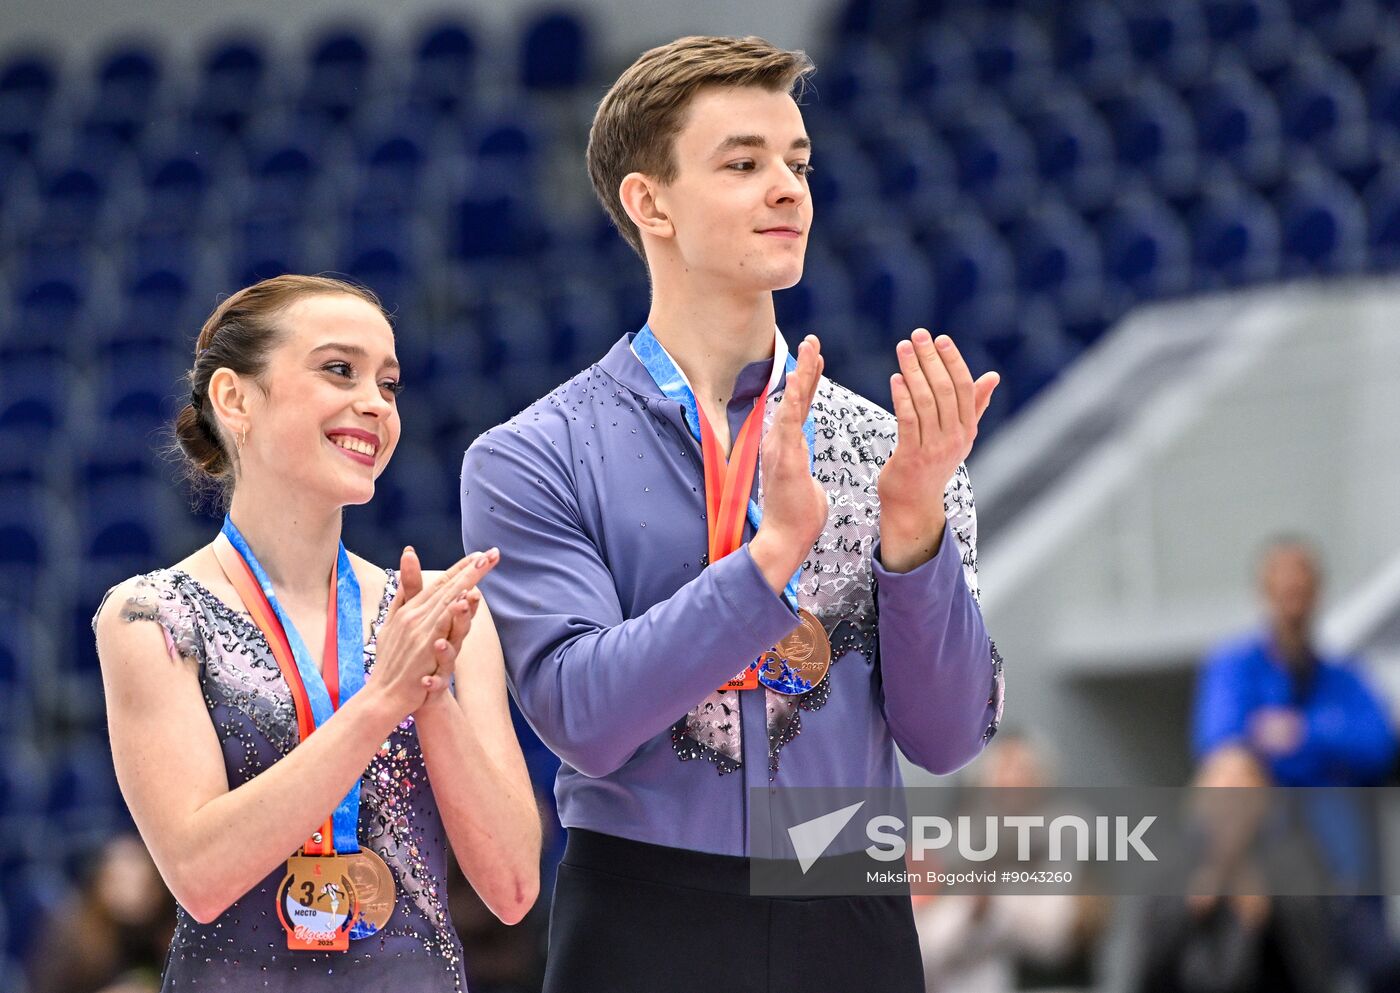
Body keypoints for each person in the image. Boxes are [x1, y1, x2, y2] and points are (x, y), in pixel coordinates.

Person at [461, 36, 1004, 993]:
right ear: (649, 201)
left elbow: (950, 734)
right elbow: (582, 715)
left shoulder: (891, 452)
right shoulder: (532, 454)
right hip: (643, 910)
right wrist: (769, 562)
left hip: (850, 903)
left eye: (797, 164)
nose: (788, 189)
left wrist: (914, 534)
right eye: (744, 164)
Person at [92, 275, 541, 991]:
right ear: (235, 399)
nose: (375, 402)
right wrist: (380, 700)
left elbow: (514, 887)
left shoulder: (435, 617)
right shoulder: (152, 616)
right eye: (341, 370)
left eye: (389, 384)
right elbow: (201, 875)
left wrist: (429, 695)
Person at [1194, 536, 1395, 785]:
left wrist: (1303, 732)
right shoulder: (1235, 665)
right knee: (1230, 772)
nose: (1293, 590)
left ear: (1317, 592)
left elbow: (1378, 745)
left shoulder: (1345, 676)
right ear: (1264, 591)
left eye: (1301, 586)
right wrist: (1328, 740)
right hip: (1264, 800)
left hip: (1330, 804)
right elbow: (1220, 738)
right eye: (1284, 587)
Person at [28, 833, 175, 993]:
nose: (131, 891)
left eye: (142, 882)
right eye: (121, 880)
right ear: (101, 882)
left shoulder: (167, 933)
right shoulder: (75, 936)